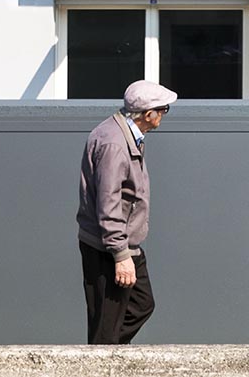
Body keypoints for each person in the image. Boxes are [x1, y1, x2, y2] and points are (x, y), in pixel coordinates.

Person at [77, 79, 177, 344]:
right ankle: (101, 356)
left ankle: (107, 351)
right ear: (148, 114)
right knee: (107, 325)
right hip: (108, 247)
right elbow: (108, 203)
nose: (164, 115)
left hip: (122, 242)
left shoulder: (125, 134)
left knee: (141, 304)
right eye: (164, 110)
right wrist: (120, 255)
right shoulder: (115, 145)